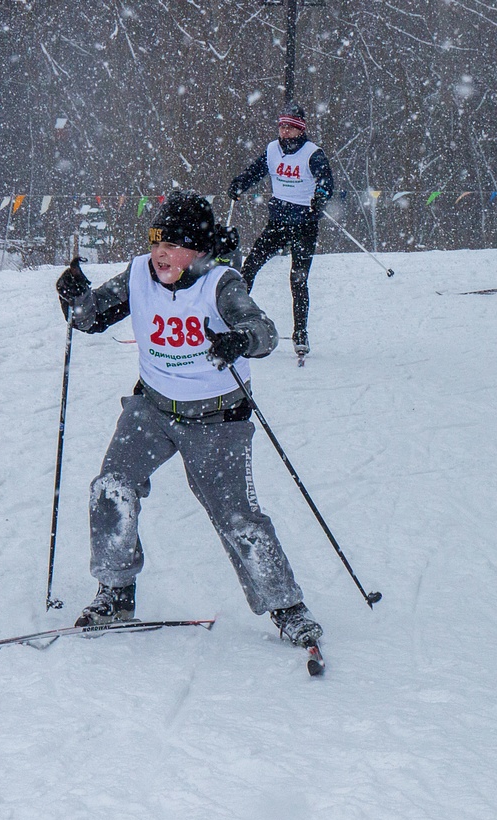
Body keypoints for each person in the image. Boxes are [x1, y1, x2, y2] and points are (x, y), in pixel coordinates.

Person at [53, 190, 323, 648]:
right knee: (111, 487)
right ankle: (115, 593)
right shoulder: (139, 274)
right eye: (158, 240)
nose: (161, 252)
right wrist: (74, 297)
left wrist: (239, 340)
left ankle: (288, 608)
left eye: (174, 244)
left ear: (198, 250)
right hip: (154, 409)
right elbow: (91, 318)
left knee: (237, 517)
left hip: (218, 420)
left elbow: (265, 332)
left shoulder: (220, 284)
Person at [228, 103, 334, 357]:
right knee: (249, 269)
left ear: (299, 129)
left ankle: (300, 333)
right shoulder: (272, 150)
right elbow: (255, 172)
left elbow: (326, 180)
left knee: (298, 280)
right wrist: (239, 184)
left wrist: (321, 195)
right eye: (281, 126)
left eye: (289, 127)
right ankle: (234, 320)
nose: (284, 131)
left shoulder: (312, 153)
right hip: (278, 223)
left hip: (305, 225)